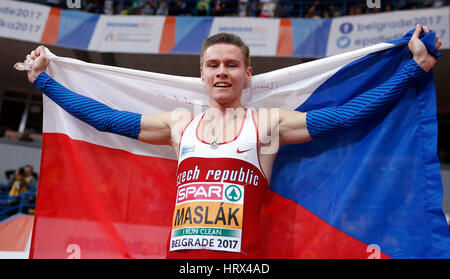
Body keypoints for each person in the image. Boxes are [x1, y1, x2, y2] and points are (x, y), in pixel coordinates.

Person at [25, 25, 441, 258]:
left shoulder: (266, 125)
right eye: (213, 65)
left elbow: (346, 116)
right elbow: (106, 118)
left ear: (247, 74)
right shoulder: (178, 125)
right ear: (202, 74)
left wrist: (412, 71)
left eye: (231, 65)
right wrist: (44, 82)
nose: (222, 72)